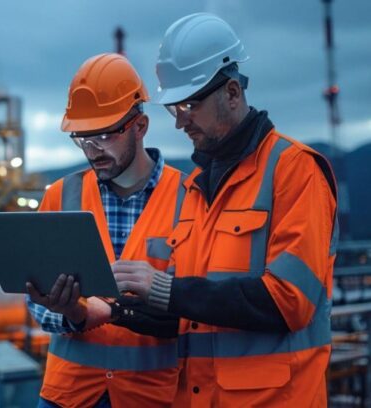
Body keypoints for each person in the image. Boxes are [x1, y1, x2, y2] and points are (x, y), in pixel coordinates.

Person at [113, 13, 338, 407]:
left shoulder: (295, 171)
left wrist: (165, 288)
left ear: (232, 93)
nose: (181, 122)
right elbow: (189, 311)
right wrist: (109, 307)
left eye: (188, 105)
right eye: (173, 108)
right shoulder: (196, 188)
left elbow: (290, 301)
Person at [26, 53, 186, 408]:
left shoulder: (188, 199)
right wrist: (70, 311)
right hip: (68, 396)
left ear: (140, 126)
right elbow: (34, 300)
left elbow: (195, 306)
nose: (92, 149)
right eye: (82, 138)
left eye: (102, 135)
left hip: (153, 396)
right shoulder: (60, 195)